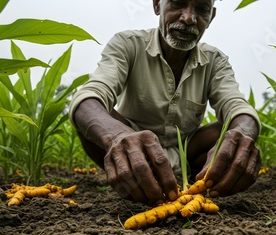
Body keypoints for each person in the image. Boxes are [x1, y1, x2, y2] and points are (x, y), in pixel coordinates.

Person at [69, 0, 261, 205]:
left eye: (201, 9)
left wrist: (241, 136)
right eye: (178, 3)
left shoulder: (215, 61)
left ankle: (197, 180)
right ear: (157, 5)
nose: (188, 18)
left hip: (190, 155)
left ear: (211, 17)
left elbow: (236, 106)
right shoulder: (128, 44)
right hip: (133, 150)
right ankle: (135, 176)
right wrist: (118, 136)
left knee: (231, 130)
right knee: (93, 118)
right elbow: (89, 97)